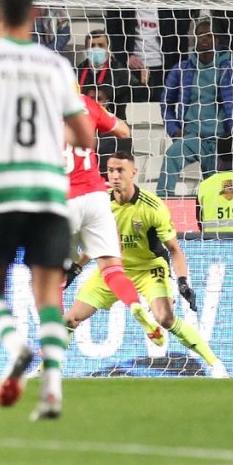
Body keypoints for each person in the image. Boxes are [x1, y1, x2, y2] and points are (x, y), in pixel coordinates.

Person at [0, 0, 93, 422]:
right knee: (47, 293)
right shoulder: (56, 66)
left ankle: (16, 346)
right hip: (51, 191)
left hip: (1, 190)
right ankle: (52, 390)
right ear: (35, 16)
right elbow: (86, 135)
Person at [65, 152, 230, 378]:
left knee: (165, 318)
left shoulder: (152, 207)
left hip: (148, 269)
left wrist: (183, 283)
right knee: (70, 318)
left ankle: (215, 364)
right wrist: (76, 268)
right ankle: (45, 369)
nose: (114, 175)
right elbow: (95, 243)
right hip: (112, 269)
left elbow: (174, 249)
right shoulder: (100, 201)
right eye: (111, 170)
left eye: (120, 170)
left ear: (134, 172)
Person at [61, 92, 164, 351]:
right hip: (96, 195)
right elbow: (123, 131)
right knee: (112, 269)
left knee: (52, 280)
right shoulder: (87, 104)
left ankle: (51, 347)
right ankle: (135, 305)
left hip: (66, 199)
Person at [157, 19, 233, 196]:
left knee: (217, 186)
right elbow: (165, 103)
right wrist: (174, 129)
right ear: (194, 39)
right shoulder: (182, 69)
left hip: (220, 139)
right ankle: (162, 202)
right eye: (200, 35)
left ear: (217, 39)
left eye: (209, 35)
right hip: (191, 136)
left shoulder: (230, 67)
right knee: (171, 156)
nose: (204, 39)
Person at [106, 0, 189, 101]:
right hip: (133, 69)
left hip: (164, 69)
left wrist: (179, 69)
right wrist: (126, 57)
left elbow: (180, 37)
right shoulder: (121, 3)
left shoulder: (168, 4)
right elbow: (113, 33)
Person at [75, 29, 133, 120]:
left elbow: (140, 94)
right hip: (84, 123)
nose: (96, 49)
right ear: (86, 50)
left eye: (101, 46)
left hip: (113, 125)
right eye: (92, 46)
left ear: (108, 49)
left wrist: (146, 80)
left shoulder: (120, 71)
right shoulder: (77, 72)